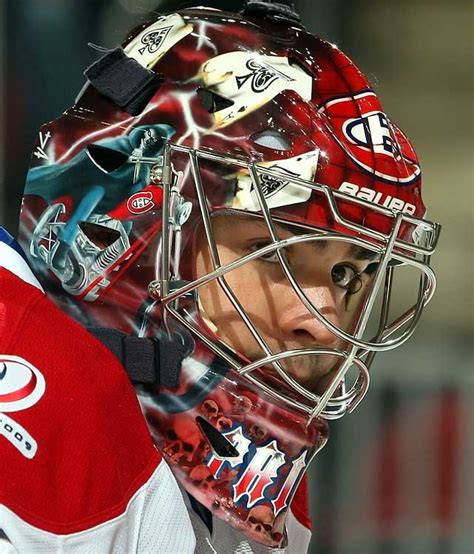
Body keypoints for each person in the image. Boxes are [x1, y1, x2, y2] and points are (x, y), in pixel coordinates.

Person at [2, 1, 441, 552]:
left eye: (347, 271)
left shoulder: (258, 494)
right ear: (137, 232)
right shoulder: (30, 400)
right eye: (270, 252)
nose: (324, 325)